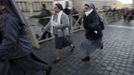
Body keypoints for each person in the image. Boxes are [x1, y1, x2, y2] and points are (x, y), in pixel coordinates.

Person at [0, 0, 51, 75]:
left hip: (18, 51)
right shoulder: (9, 16)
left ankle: (46, 68)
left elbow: (10, 40)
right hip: (19, 50)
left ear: (3, 5)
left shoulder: (8, 18)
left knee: (32, 66)